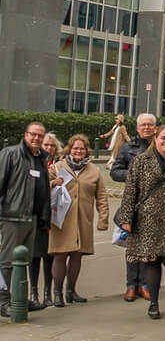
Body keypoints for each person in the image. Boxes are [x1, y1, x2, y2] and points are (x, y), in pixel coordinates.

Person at [115, 125, 165, 320]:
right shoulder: (140, 162)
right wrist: (125, 219)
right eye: (163, 138)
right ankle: (153, 304)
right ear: (155, 139)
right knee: (152, 263)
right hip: (147, 222)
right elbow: (130, 192)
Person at [48, 134, 108, 307]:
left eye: (82, 148)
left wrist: (103, 219)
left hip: (83, 219)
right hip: (61, 219)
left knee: (77, 256)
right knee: (60, 255)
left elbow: (102, 196)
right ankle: (57, 292)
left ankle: (71, 291)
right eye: (75, 148)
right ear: (69, 149)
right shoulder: (58, 166)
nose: (78, 151)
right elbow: (45, 183)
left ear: (86, 150)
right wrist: (53, 183)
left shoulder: (94, 170)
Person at [0, 123, 50, 317]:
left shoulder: (41, 158)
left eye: (40, 136)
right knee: (7, 260)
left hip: (32, 218)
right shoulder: (11, 154)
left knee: (25, 260)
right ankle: (3, 300)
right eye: (33, 135)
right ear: (25, 135)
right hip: (12, 217)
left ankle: (19, 297)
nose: (36, 138)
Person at [110, 112, 156, 302]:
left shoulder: (160, 147)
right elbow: (115, 172)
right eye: (143, 125)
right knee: (132, 247)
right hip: (133, 204)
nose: (146, 127)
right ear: (137, 128)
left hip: (154, 204)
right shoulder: (128, 148)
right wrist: (133, 174)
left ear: (155, 128)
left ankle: (146, 284)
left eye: (150, 125)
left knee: (148, 247)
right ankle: (131, 285)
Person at [30, 133, 60, 309]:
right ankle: (34, 292)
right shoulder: (33, 164)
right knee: (34, 255)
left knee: (50, 256)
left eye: (52, 146)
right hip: (37, 215)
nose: (49, 148)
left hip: (54, 217)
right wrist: (51, 184)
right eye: (46, 145)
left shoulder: (59, 165)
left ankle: (48, 292)